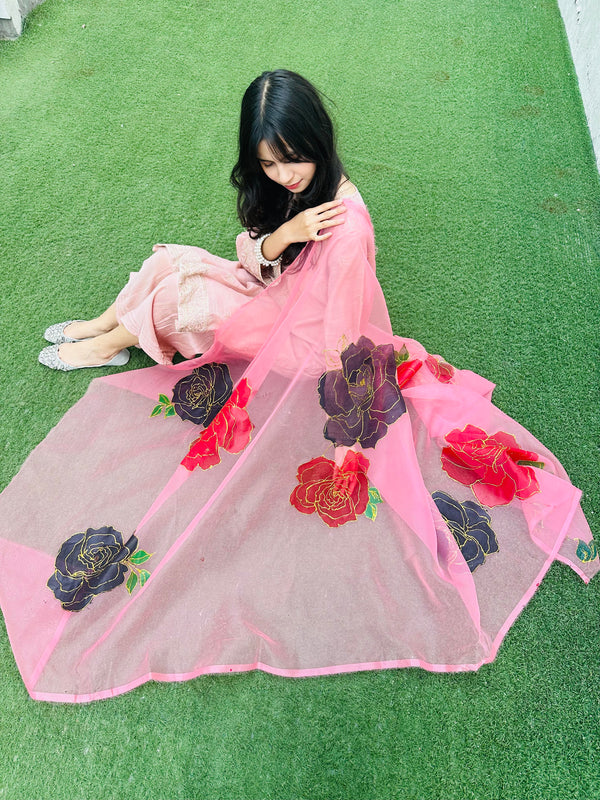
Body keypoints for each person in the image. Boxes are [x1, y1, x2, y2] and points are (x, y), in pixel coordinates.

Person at [0, 70, 596, 703]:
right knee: (169, 262)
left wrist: (347, 442)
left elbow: (341, 340)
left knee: (180, 297)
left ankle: (104, 344)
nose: (283, 175)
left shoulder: (348, 227)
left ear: (316, 139)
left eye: (292, 159)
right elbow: (257, 253)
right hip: (279, 297)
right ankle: (103, 328)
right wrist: (286, 234)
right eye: (268, 163)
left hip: (300, 341)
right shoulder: (304, 191)